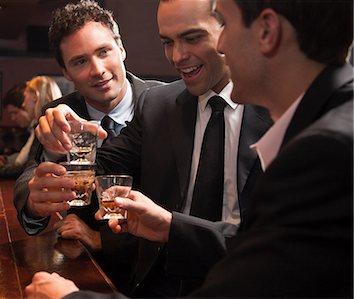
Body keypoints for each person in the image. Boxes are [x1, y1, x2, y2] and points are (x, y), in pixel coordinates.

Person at [25, 0, 353, 298]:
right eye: (167, 42)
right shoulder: (159, 105)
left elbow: (266, 270)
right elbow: (267, 250)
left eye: (222, 25)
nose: (177, 56)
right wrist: (172, 227)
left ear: (267, 31)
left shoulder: (327, 147)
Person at [14, 0, 163, 239]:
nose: (98, 69)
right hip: (83, 260)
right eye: (80, 61)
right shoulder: (59, 113)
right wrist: (34, 201)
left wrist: (100, 240)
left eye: (103, 52)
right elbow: (29, 178)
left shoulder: (164, 102)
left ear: (121, 49)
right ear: (66, 72)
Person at [0, 76, 62, 179]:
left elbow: (28, 169)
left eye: (25, 97)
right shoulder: (46, 124)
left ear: (35, 96)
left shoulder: (44, 127)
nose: (23, 103)